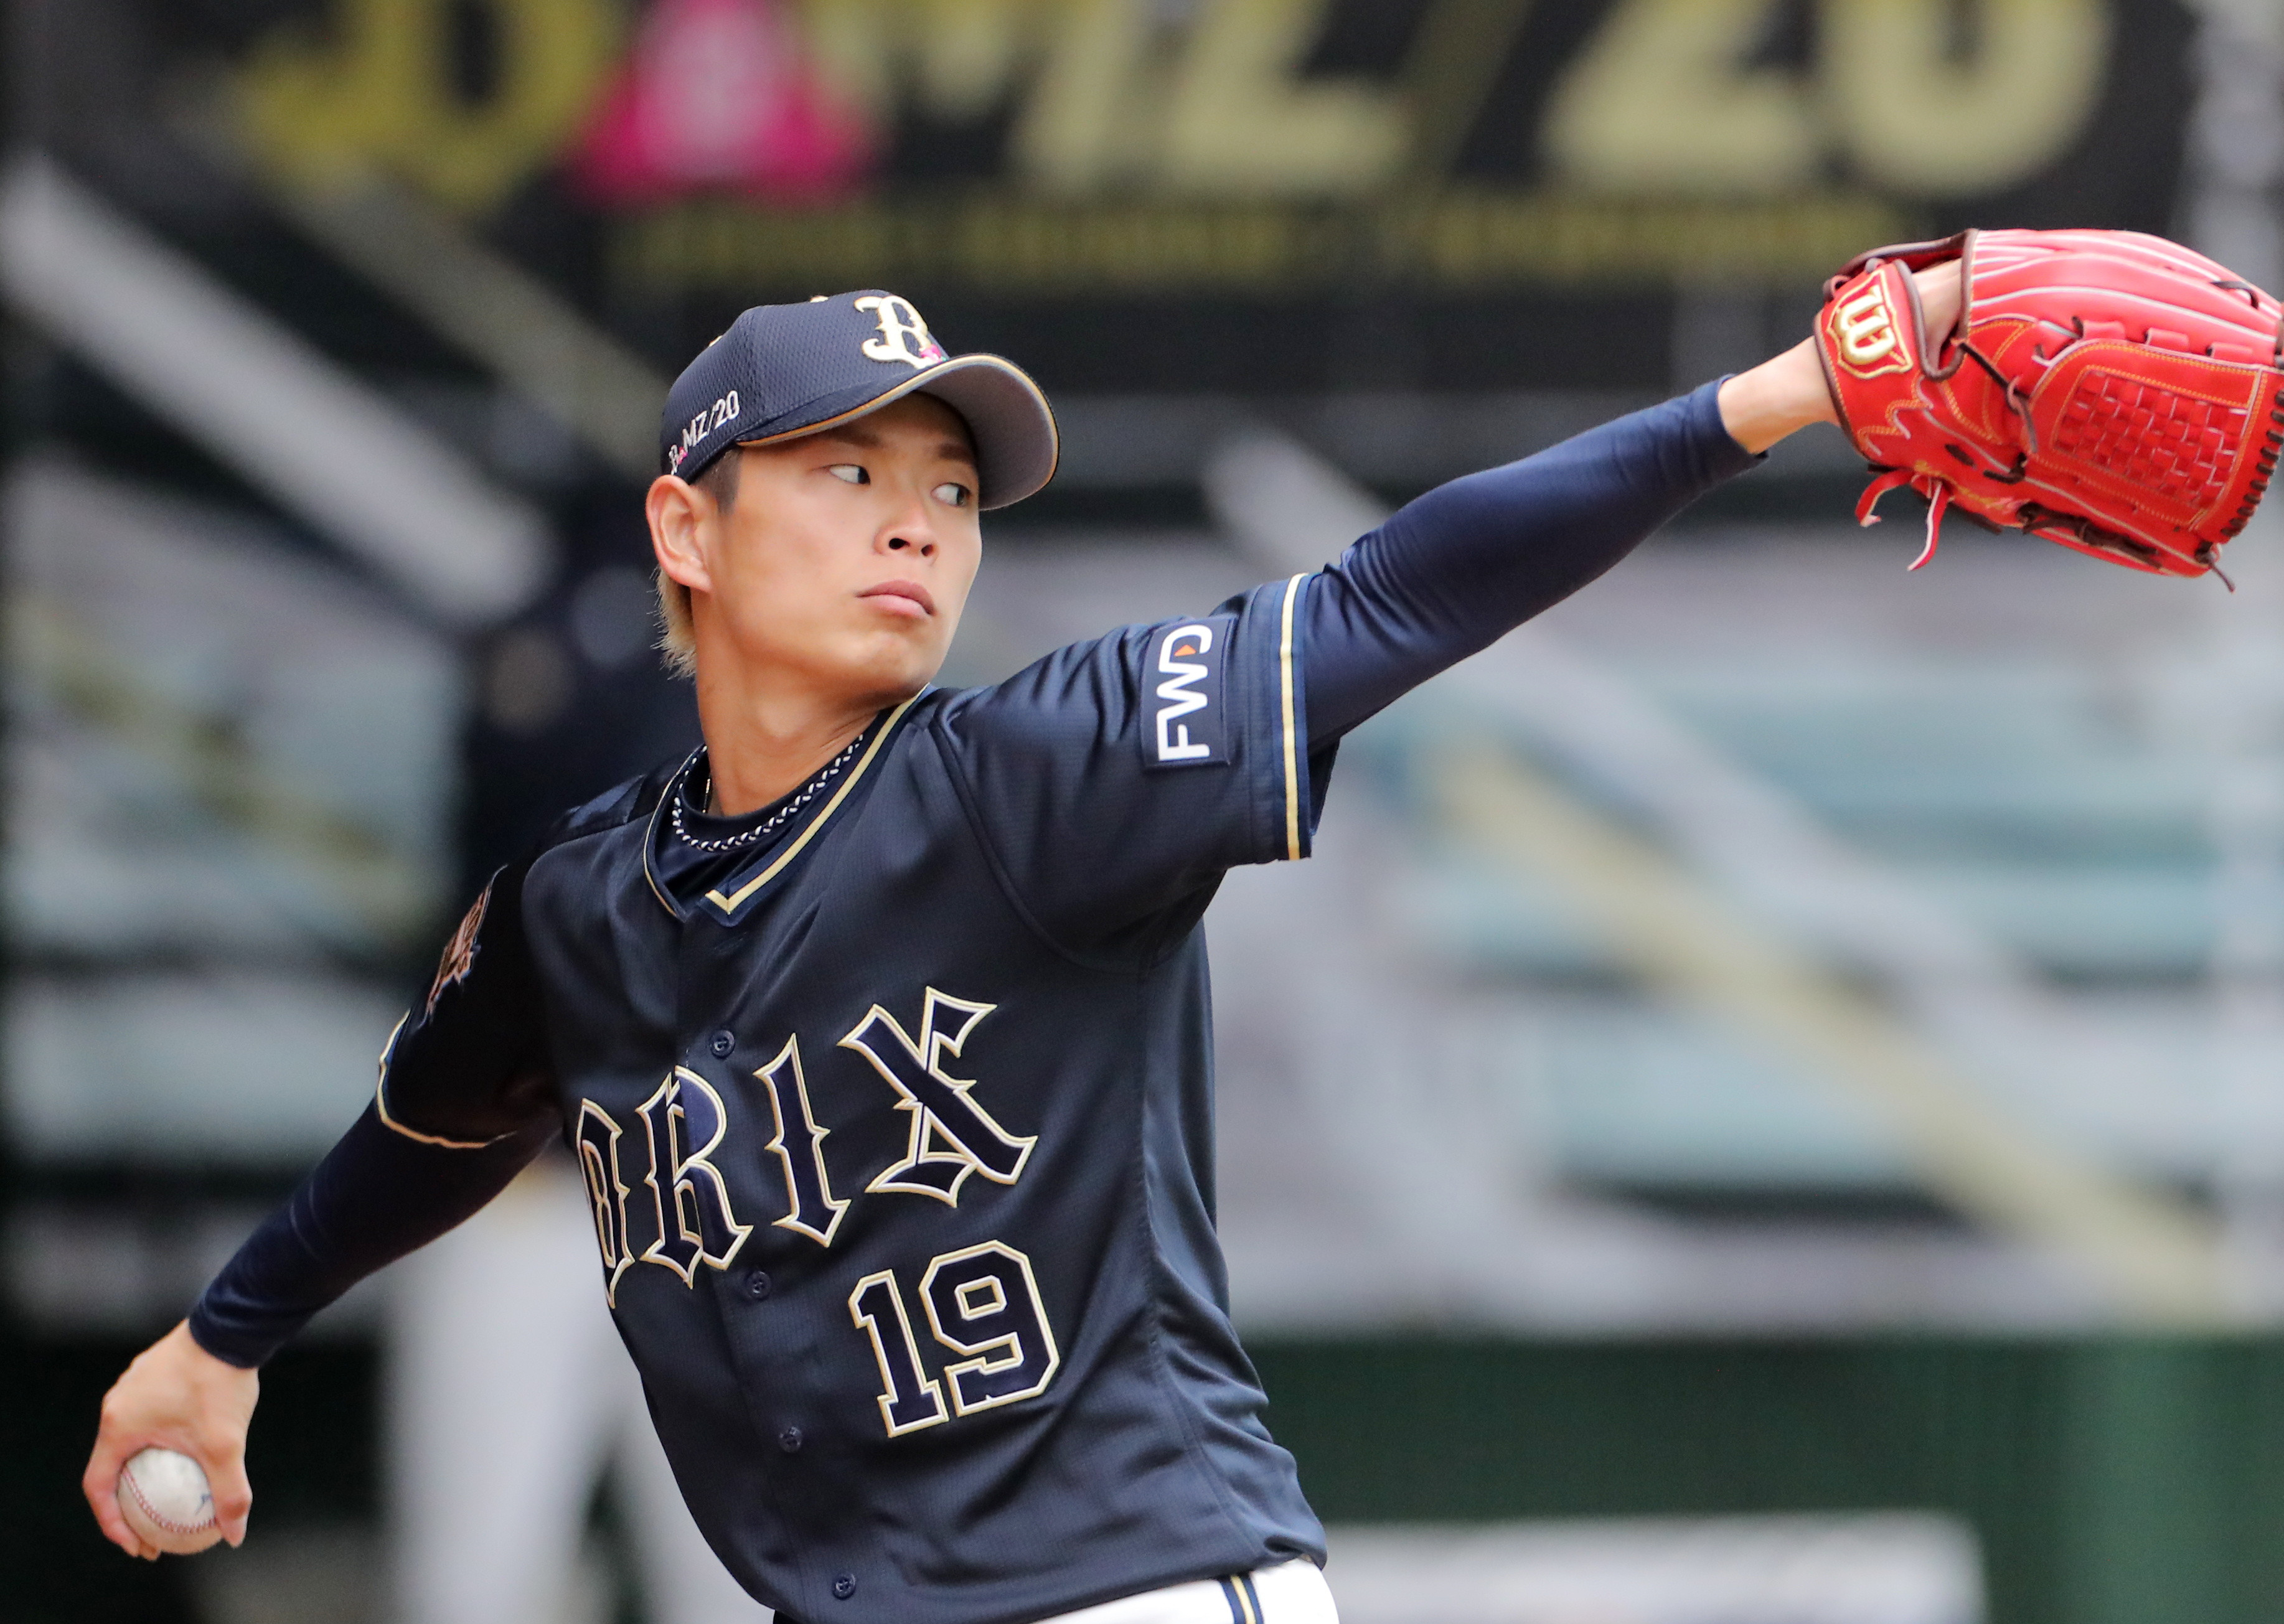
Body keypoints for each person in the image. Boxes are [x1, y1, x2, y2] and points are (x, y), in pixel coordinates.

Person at [85, 268, 1961, 1622]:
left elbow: (1392, 590)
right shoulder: (575, 908)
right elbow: (425, 1124)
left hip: (1125, 1590)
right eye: (846, 471)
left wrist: (1773, 399)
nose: (917, 518)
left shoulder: (1038, 777)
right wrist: (225, 1332)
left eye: (952, 487)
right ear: (688, 527)